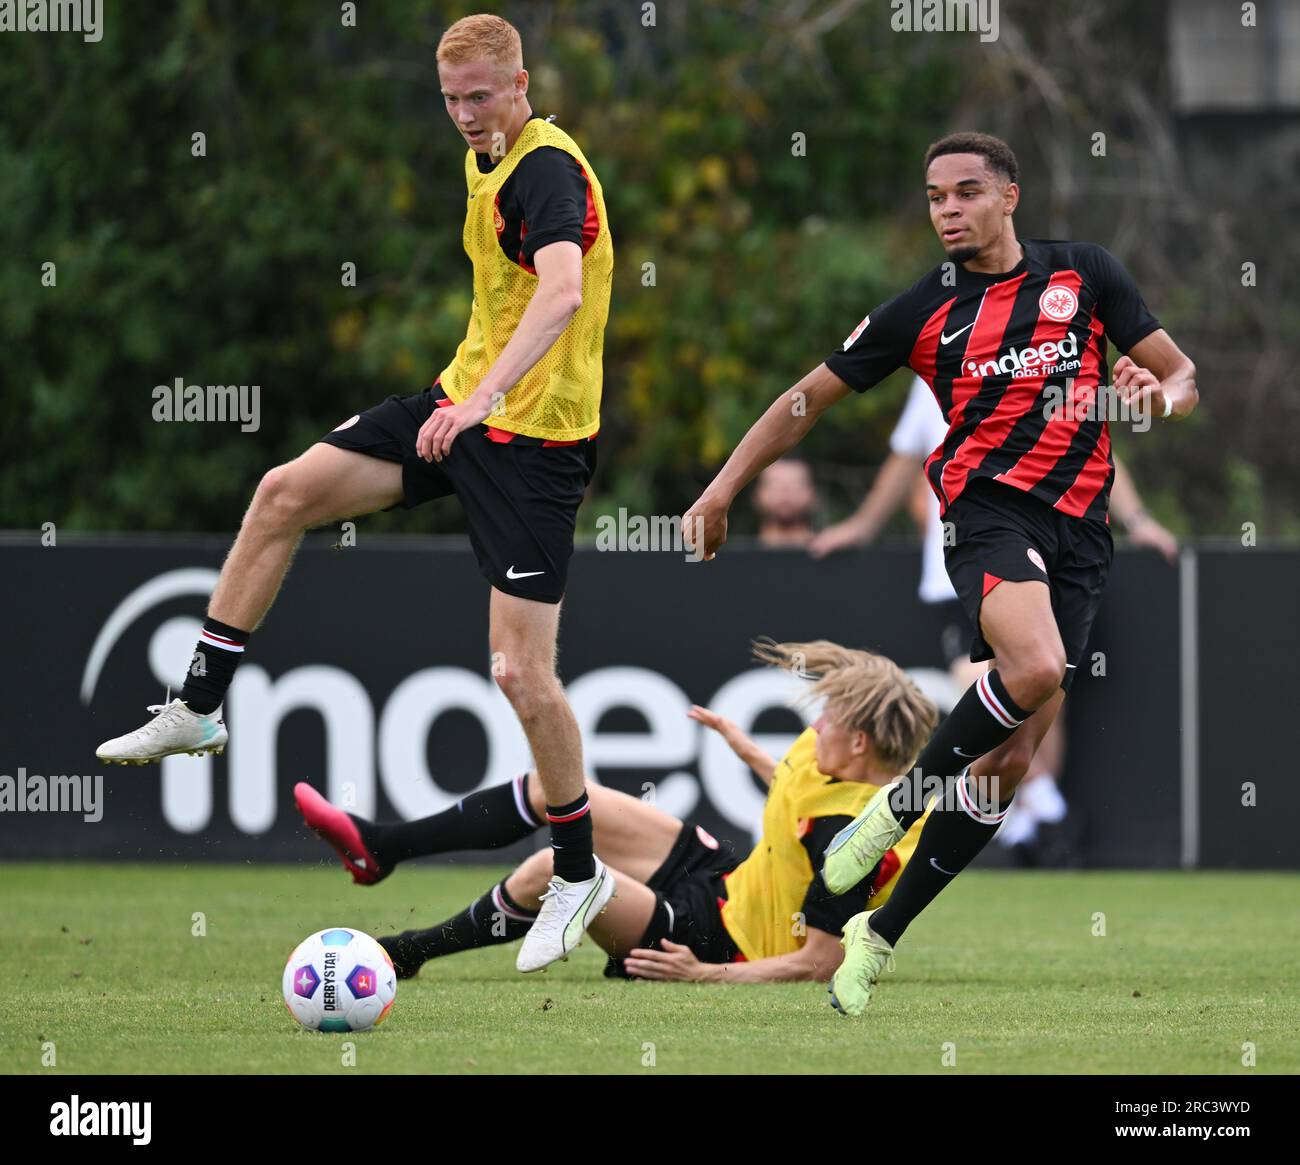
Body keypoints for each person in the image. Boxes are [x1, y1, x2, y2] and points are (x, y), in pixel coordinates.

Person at [95, 14, 617, 973]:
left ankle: (578, 871)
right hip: (461, 412)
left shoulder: (545, 170)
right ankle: (199, 706)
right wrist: (465, 403)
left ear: (522, 84)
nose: (464, 114)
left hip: (535, 443)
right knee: (285, 491)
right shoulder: (487, 156)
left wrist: (485, 401)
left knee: (518, 673)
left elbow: (563, 292)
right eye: (451, 98)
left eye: (481, 96)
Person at [683, 131, 1197, 1016]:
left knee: (1010, 760)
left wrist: (1157, 396)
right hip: (986, 516)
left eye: (965, 192)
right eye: (935, 197)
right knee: (1031, 670)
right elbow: (804, 398)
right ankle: (895, 805)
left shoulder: (1084, 276)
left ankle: (877, 935)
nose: (949, 210)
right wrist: (723, 488)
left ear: (1009, 196)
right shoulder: (922, 310)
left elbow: (1183, 376)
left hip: (1082, 534)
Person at [294, 640, 937, 986]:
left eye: (831, 717)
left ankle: (404, 953)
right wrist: (747, 751)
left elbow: (819, 962)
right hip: (724, 881)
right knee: (564, 791)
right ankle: (381, 846)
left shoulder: (856, 846)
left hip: (720, 943)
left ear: (859, 744)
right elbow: (800, 791)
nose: (815, 722)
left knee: (556, 868)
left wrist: (706, 976)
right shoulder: (829, 759)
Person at [811, 375, 1179, 862]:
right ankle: (1041, 808)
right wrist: (861, 526)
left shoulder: (1049, 363)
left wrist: (1139, 521)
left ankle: (1027, 818)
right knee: (983, 682)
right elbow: (905, 459)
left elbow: (1097, 448)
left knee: (1043, 685)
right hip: (963, 562)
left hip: (1043, 557)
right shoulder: (938, 369)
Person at [753, 456, 819, 547]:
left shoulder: (833, 555)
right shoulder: (736, 554)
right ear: (758, 494)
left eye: (796, 485)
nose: (785, 491)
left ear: (812, 493)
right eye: (775, 485)